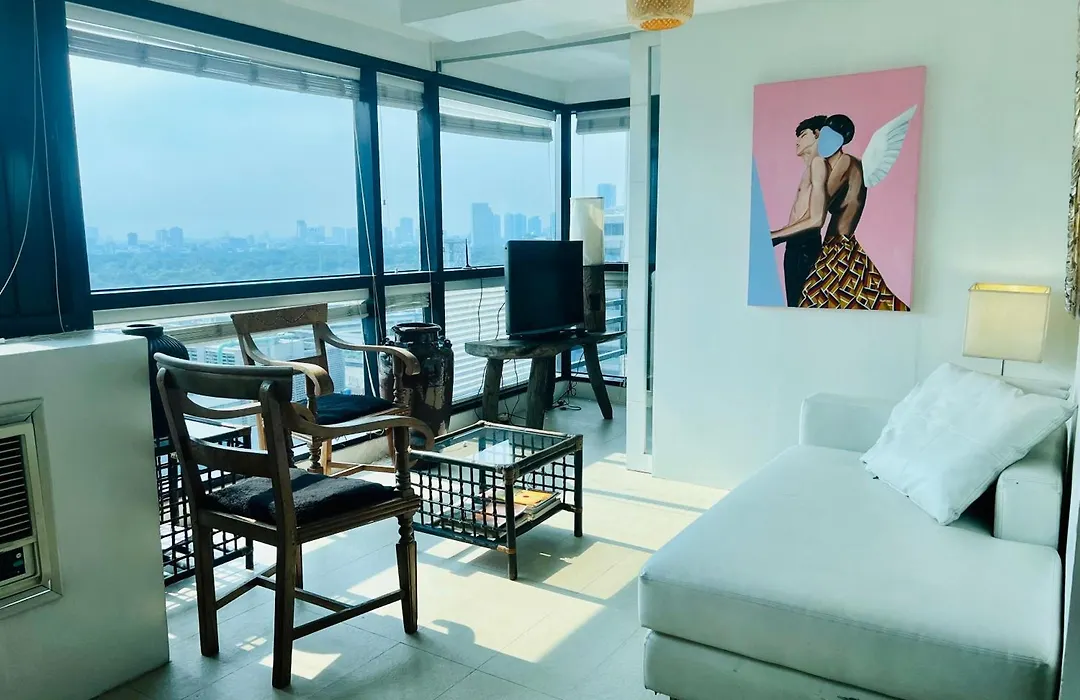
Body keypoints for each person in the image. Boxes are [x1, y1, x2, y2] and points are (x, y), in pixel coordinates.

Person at [798, 114, 909, 311]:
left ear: (841, 141)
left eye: (830, 136)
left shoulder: (846, 162)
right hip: (841, 246)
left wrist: (816, 171)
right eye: (823, 135)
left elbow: (821, 204)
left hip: (838, 249)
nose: (824, 141)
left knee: (815, 298)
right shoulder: (843, 164)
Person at [769, 115, 828, 307]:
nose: (797, 141)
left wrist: (775, 236)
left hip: (804, 246)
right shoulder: (811, 167)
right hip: (797, 245)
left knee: (799, 306)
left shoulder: (818, 163)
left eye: (803, 135)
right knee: (796, 306)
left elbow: (816, 219)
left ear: (817, 134)